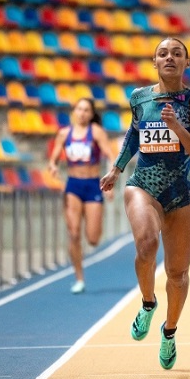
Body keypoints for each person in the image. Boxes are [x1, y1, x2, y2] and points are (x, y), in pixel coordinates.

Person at [100, 37, 190, 370]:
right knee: (147, 245)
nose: (169, 58)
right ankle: (148, 303)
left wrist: (177, 127)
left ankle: (169, 331)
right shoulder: (139, 97)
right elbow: (134, 134)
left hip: (183, 194)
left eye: (177, 54)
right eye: (163, 53)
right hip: (143, 186)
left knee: (177, 274)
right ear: (154, 62)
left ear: (186, 63)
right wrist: (117, 168)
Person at [47, 98, 117, 294]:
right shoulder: (64, 134)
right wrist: (53, 167)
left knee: (93, 239)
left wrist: (111, 180)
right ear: (74, 111)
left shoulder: (96, 132)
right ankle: (79, 278)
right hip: (73, 186)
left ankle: (94, 226)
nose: (82, 113)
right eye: (79, 109)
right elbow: (53, 159)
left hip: (93, 185)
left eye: (86, 110)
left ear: (91, 114)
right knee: (74, 233)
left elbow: (111, 156)